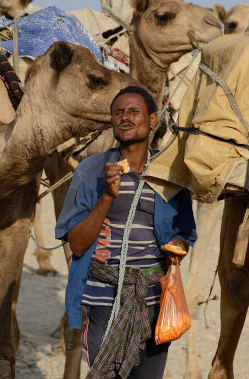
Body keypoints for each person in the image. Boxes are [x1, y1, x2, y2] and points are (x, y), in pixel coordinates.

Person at [55, 86, 197, 379]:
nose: (125, 118)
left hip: (155, 303)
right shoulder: (91, 170)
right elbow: (78, 245)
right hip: (104, 300)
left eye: (134, 111)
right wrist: (107, 197)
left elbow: (185, 231)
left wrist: (177, 244)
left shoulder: (170, 173)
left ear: (153, 118)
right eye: (118, 113)